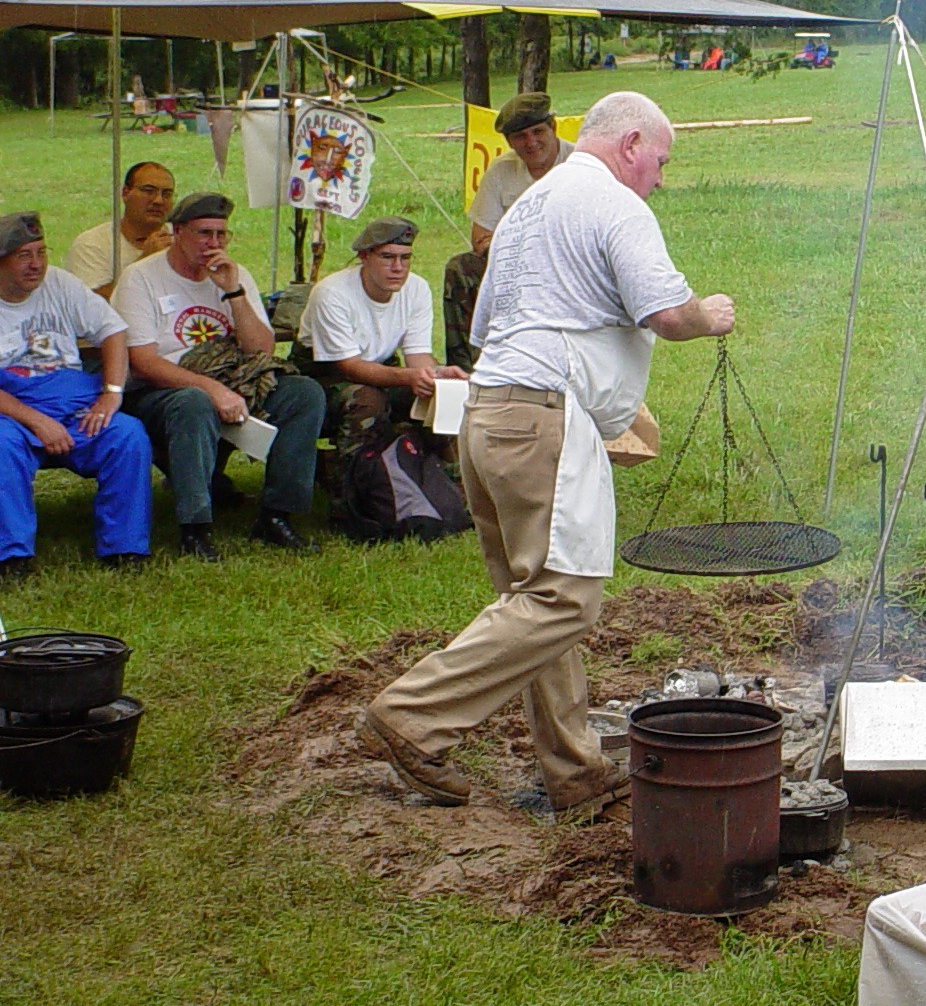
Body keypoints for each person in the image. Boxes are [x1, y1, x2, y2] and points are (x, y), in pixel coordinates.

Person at [360, 91, 735, 818]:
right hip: (539, 417)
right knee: (565, 600)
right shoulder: (615, 204)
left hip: (487, 417)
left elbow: (491, 327)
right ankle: (409, 717)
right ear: (631, 143)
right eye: (660, 161)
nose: (660, 178)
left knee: (532, 601)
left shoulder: (526, 209)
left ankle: (575, 775)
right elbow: (667, 314)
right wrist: (709, 316)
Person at [113, 193, 324, 562]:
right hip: (159, 389)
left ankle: (277, 514)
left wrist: (234, 293)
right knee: (194, 403)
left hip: (233, 377)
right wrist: (212, 389)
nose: (213, 243)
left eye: (221, 234)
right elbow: (143, 362)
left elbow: (261, 350)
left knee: (304, 393)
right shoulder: (141, 278)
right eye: (203, 233)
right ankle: (195, 527)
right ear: (177, 232)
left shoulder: (234, 275)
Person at [0, 213, 151, 577]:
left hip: (74, 400)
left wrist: (111, 394)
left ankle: (124, 548)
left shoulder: (59, 283)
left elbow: (113, 330)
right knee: (1, 446)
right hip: (14, 410)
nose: (36, 264)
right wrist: (37, 422)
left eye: (41, 252)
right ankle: (12, 555)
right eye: (24, 256)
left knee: (127, 435)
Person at [291, 216, 466, 464]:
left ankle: (446, 476)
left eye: (405, 258)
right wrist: (409, 377)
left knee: (442, 395)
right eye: (387, 257)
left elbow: (417, 353)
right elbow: (349, 366)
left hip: (380, 368)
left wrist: (436, 375)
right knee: (366, 401)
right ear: (364, 257)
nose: (398, 267)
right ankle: (354, 477)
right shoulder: (332, 293)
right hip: (323, 377)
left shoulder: (416, 288)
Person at [442, 93, 573, 370]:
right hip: (514, 266)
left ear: (553, 127)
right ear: (509, 142)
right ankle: (468, 369)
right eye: (520, 137)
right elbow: (480, 240)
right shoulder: (501, 171)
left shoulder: (578, 164)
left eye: (538, 132)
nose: (531, 142)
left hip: (568, 267)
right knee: (461, 268)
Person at [65, 160, 175, 298]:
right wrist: (145, 261)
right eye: (148, 191)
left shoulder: (184, 239)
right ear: (125, 193)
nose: (158, 200)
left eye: (167, 194)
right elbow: (93, 303)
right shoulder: (92, 244)